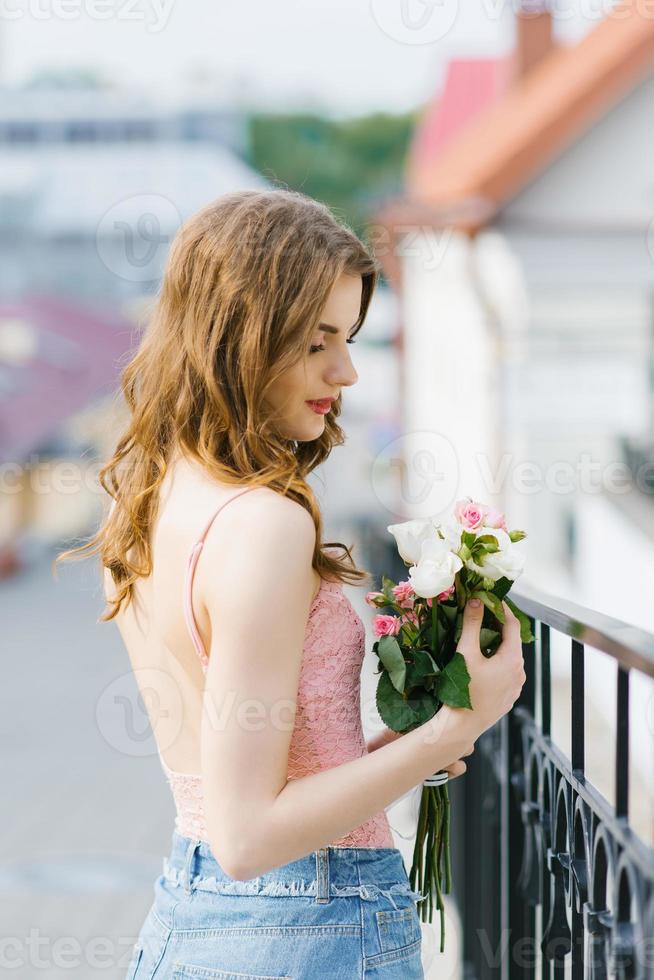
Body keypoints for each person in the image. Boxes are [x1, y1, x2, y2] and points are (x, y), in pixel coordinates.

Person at [55, 188, 526, 979]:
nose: (345, 371)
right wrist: (455, 726)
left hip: (194, 916)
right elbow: (248, 838)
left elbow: (241, 786)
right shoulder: (263, 524)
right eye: (317, 342)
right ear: (238, 338)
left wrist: (402, 749)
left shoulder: (153, 492)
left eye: (348, 339)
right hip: (306, 929)